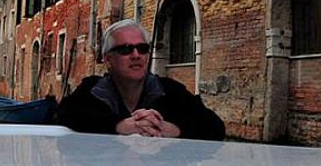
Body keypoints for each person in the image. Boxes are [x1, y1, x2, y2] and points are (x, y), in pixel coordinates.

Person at [58, 19, 225, 140]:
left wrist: (171, 129)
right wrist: (120, 125)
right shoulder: (92, 89)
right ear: (108, 59)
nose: (136, 55)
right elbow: (64, 114)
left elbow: (215, 127)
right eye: (125, 49)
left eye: (143, 49)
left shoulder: (170, 90)